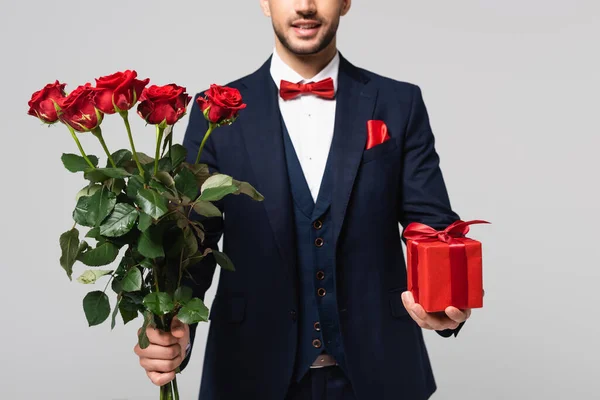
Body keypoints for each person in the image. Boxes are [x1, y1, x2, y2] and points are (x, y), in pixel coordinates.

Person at [134, 1, 474, 399]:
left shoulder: (399, 102)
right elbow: (194, 243)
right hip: (248, 372)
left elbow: (431, 224)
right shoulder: (214, 113)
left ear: (346, 2)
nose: (305, 5)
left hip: (381, 372)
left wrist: (447, 297)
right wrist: (174, 328)